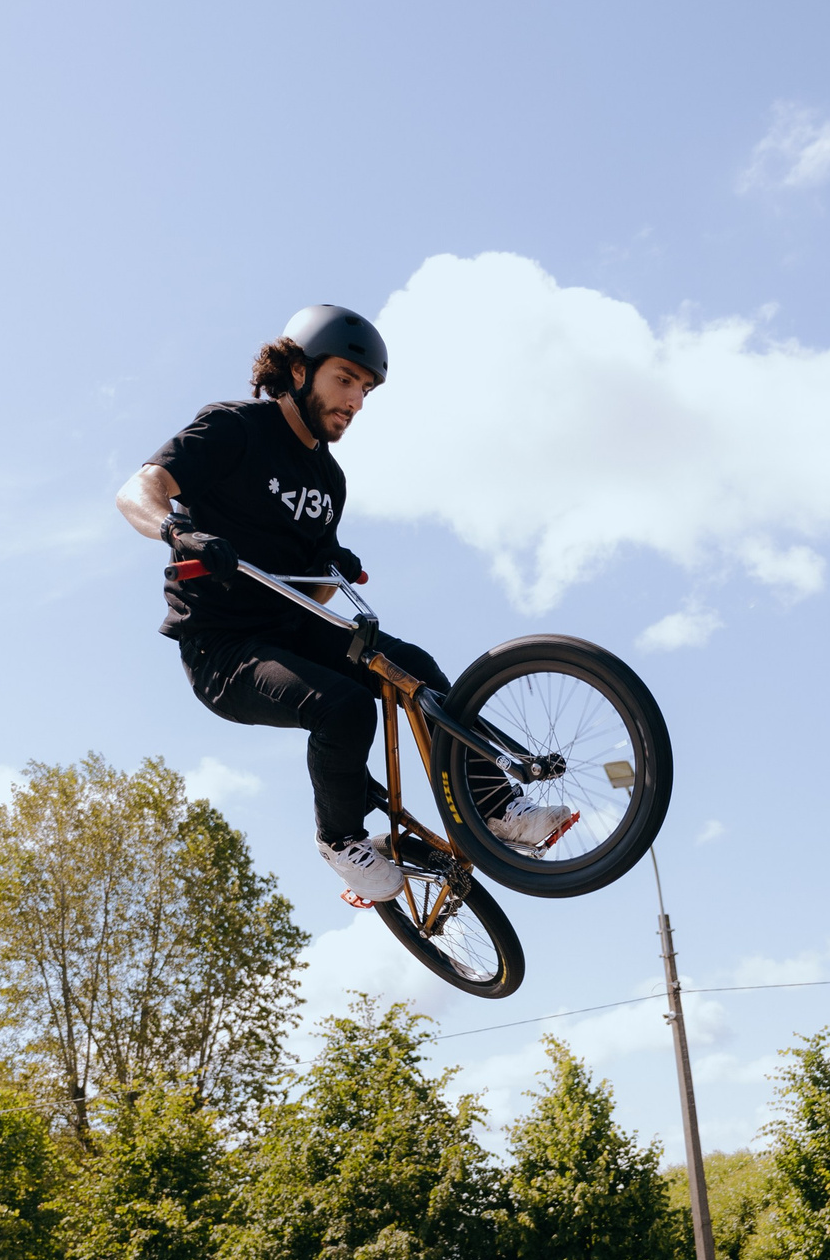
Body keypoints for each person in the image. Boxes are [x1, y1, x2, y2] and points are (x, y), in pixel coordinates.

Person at [114, 306, 573, 906]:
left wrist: (332, 569)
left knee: (413, 666)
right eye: (345, 380)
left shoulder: (329, 481)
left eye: (366, 389)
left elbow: (313, 594)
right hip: (223, 650)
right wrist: (177, 531)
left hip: (290, 630)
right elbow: (138, 490)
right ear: (298, 371)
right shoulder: (234, 428)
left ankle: (495, 807)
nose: (355, 401)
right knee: (344, 707)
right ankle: (339, 840)